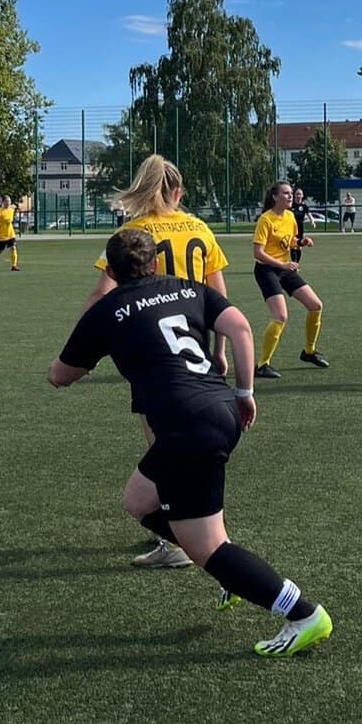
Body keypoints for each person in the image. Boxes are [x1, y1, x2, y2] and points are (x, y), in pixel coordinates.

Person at [48, 228, 333, 659]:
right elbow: (240, 326)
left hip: (188, 426)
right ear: (154, 263)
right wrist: (245, 392)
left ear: (112, 271)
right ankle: (229, 570)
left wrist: (65, 364)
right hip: (220, 408)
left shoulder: (107, 310)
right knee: (139, 501)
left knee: (209, 547)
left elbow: (60, 376)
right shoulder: (187, 288)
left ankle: (303, 614)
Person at [81, 153, 233, 569]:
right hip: (196, 350)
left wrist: (85, 350)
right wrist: (220, 351)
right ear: (178, 191)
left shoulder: (132, 233)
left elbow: (101, 294)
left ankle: (180, 542)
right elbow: (219, 295)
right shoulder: (200, 228)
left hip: (152, 354)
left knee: (163, 450)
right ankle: (201, 532)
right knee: (188, 451)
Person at [252, 180, 329, 378]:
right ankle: (262, 365)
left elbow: (289, 241)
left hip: (284, 269)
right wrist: (282, 264)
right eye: (286, 193)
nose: (290, 196)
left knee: (315, 306)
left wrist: (301, 242)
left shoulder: (290, 216)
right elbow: (258, 253)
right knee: (281, 316)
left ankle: (309, 352)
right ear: (275, 197)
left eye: (291, 193)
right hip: (266, 270)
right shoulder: (266, 219)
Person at [290, 188, 311, 265]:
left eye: (300, 194)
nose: (299, 195)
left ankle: (296, 264)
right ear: (294, 195)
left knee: (299, 246)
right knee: (293, 245)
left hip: (300, 228)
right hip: (291, 228)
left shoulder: (304, 206)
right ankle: (294, 263)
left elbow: (309, 214)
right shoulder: (291, 205)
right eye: (297, 194)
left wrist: (312, 221)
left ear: (302, 195)